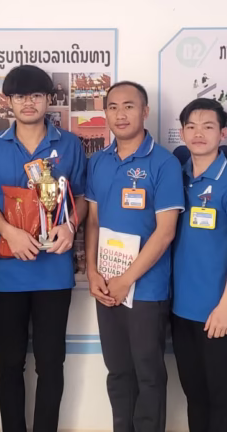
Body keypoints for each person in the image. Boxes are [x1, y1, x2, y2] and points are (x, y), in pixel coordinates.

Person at [0, 65, 88, 432]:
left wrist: (70, 226)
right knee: (9, 362)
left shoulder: (69, 144)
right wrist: (10, 233)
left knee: (51, 362)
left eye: (36, 95)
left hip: (53, 270)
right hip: (6, 271)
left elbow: (81, 198)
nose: (29, 103)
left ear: (48, 100)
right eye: (20, 96)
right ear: (8, 101)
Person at [84, 81, 184, 432]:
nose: (120, 114)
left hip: (146, 289)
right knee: (118, 371)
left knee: (148, 374)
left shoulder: (164, 163)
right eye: (113, 107)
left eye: (129, 106)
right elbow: (93, 221)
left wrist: (127, 279)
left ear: (145, 111)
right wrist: (92, 272)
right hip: (106, 284)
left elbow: (166, 231)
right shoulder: (98, 162)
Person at [171, 98, 227, 432]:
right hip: (180, 308)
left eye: (208, 127)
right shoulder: (175, 177)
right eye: (191, 127)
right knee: (194, 394)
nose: (198, 133)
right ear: (182, 133)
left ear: (223, 133)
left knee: (220, 395)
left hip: (218, 309)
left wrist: (225, 306)